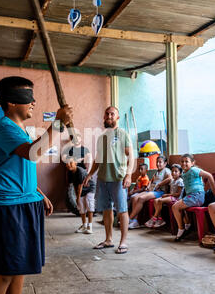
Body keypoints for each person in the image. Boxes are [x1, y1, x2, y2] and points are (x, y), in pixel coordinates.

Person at [0, 76, 72, 294]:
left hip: (25, 201)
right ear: (11, 102)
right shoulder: (5, 128)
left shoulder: (20, 130)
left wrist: (38, 193)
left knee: (19, 267)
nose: (33, 101)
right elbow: (34, 153)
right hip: (9, 207)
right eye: (27, 96)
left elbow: (21, 167)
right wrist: (58, 124)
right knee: (5, 272)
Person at [83, 106, 134, 254]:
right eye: (107, 114)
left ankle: (123, 242)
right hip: (103, 179)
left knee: (122, 210)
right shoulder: (102, 137)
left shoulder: (123, 134)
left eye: (112, 114)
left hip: (118, 178)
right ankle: (108, 240)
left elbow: (130, 156)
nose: (109, 116)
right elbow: (98, 159)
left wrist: (129, 174)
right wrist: (89, 174)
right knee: (106, 210)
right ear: (104, 117)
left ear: (117, 117)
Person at [173, 154, 215, 242]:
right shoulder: (184, 173)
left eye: (187, 161)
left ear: (192, 163)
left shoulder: (194, 170)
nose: (184, 163)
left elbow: (209, 175)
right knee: (179, 207)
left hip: (196, 196)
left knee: (175, 207)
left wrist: (214, 190)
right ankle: (187, 225)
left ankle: (181, 229)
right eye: (182, 161)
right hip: (192, 196)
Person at [128, 155, 172, 229]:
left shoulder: (166, 170)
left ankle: (129, 218)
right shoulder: (157, 171)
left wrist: (160, 184)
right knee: (135, 197)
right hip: (152, 190)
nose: (158, 164)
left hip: (160, 192)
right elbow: (152, 180)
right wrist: (149, 185)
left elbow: (170, 178)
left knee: (141, 198)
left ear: (165, 163)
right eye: (157, 162)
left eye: (160, 162)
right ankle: (135, 221)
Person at [145, 164, 184, 229]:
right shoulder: (172, 181)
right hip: (171, 196)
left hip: (176, 198)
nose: (173, 173)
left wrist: (167, 195)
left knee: (160, 200)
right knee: (155, 200)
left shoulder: (180, 181)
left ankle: (154, 217)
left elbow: (178, 194)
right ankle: (160, 219)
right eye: (172, 171)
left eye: (176, 171)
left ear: (180, 173)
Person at [66, 158, 96, 234]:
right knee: (81, 208)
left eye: (71, 163)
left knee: (89, 204)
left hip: (89, 188)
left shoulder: (80, 171)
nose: (68, 165)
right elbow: (73, 185)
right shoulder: (69, 173)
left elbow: (80, 186)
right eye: (67, 163)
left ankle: (90, 226)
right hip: (81, 190)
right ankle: (84, 225)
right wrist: (77, 198)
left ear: (75, 163)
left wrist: (77, 198)